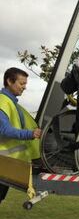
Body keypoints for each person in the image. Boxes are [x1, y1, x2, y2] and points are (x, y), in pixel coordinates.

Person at [0, 67, 42, 204]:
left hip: (7, 162)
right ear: (9, 81)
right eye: (22, 83)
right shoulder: (3, 102)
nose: (24, 87)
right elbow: (4, 130)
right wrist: (30, 134)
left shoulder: (11, 103)